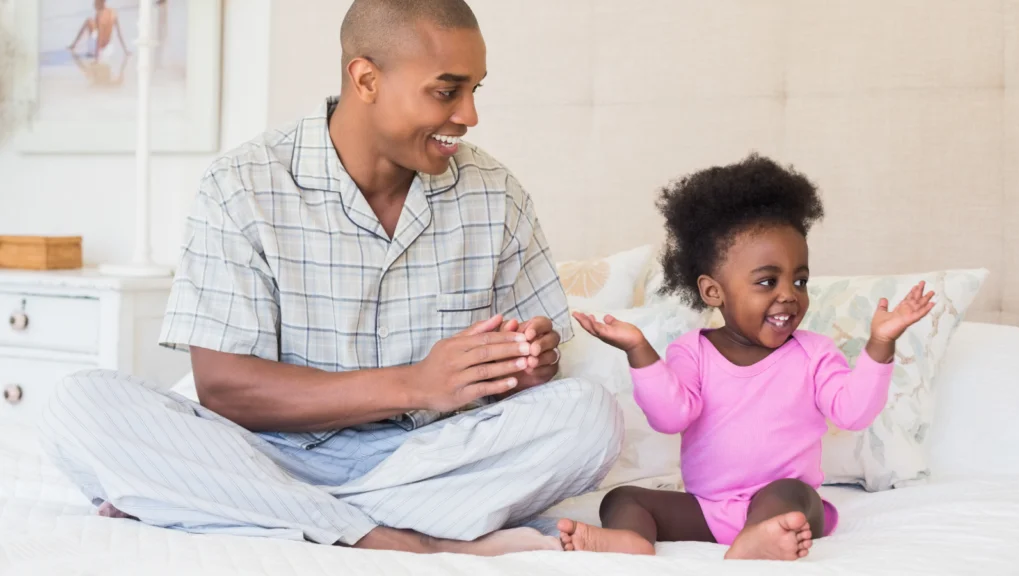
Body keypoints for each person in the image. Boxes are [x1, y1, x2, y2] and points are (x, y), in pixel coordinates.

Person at [38, 0, 623, 557]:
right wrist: (416, 384)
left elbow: (528, 386)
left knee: (589, 417)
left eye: (474, 90)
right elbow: (224, 388)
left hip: (425, 460)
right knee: (76, 405)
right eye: (448, 91)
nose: (469, 115)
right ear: (366, 79)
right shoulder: (242, 185)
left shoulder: (496, 195)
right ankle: (407, 537)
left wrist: (523, 368)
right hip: (262, 454)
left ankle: (255, 512)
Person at [556, 154, 935, 560]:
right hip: (707, 509)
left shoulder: (813, 353)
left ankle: (761, 539)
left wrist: (880, 343)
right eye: (768, 281)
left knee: (792, 493)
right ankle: (632, 541)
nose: (789, 293)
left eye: (800, 279)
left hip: (785, 507)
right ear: (713, 291)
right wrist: (640, 351)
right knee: (622, 499)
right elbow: (670, 417)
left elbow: (853, 413)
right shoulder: (692, 351)